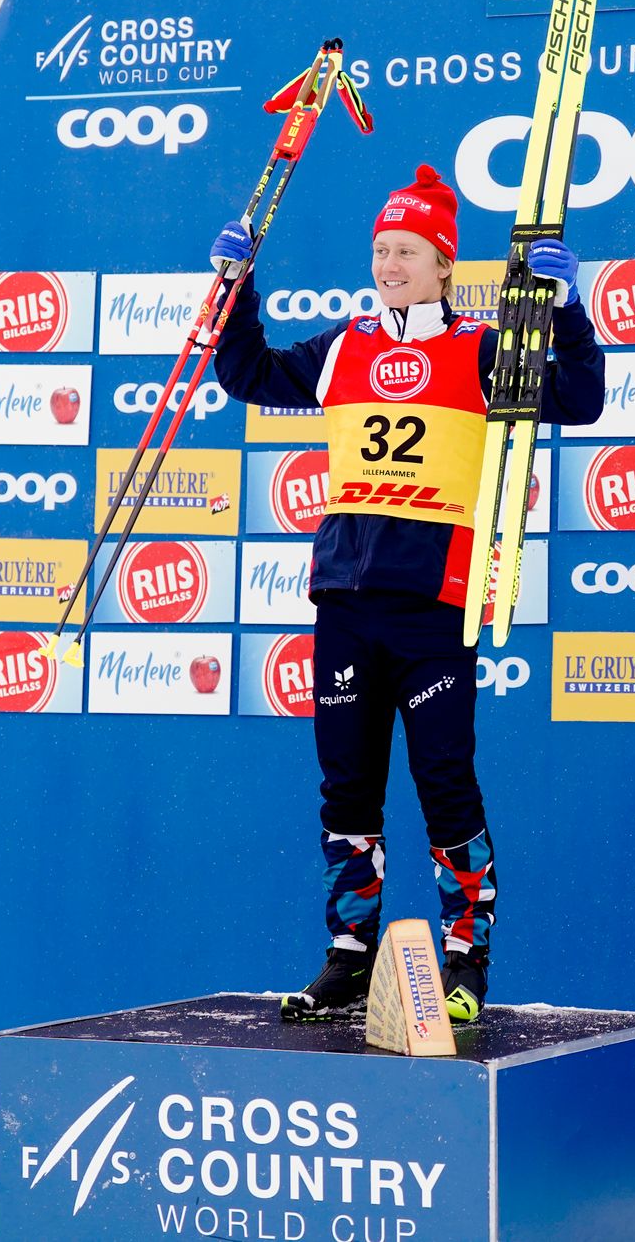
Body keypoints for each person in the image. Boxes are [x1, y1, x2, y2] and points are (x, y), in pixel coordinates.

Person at [210, 164, 604, 1023]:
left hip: (434, 601)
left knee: (444, 782)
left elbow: (582, 398)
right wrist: (236, 289)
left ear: (443, 263)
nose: (388, 263)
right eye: (382, 248)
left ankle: (466, 959)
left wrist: (568, 313)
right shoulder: (343, 345)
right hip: (346, 596)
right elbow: (245, 373)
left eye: (407, 250)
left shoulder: (480, 347)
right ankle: (349, 954)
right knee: (346, 786)